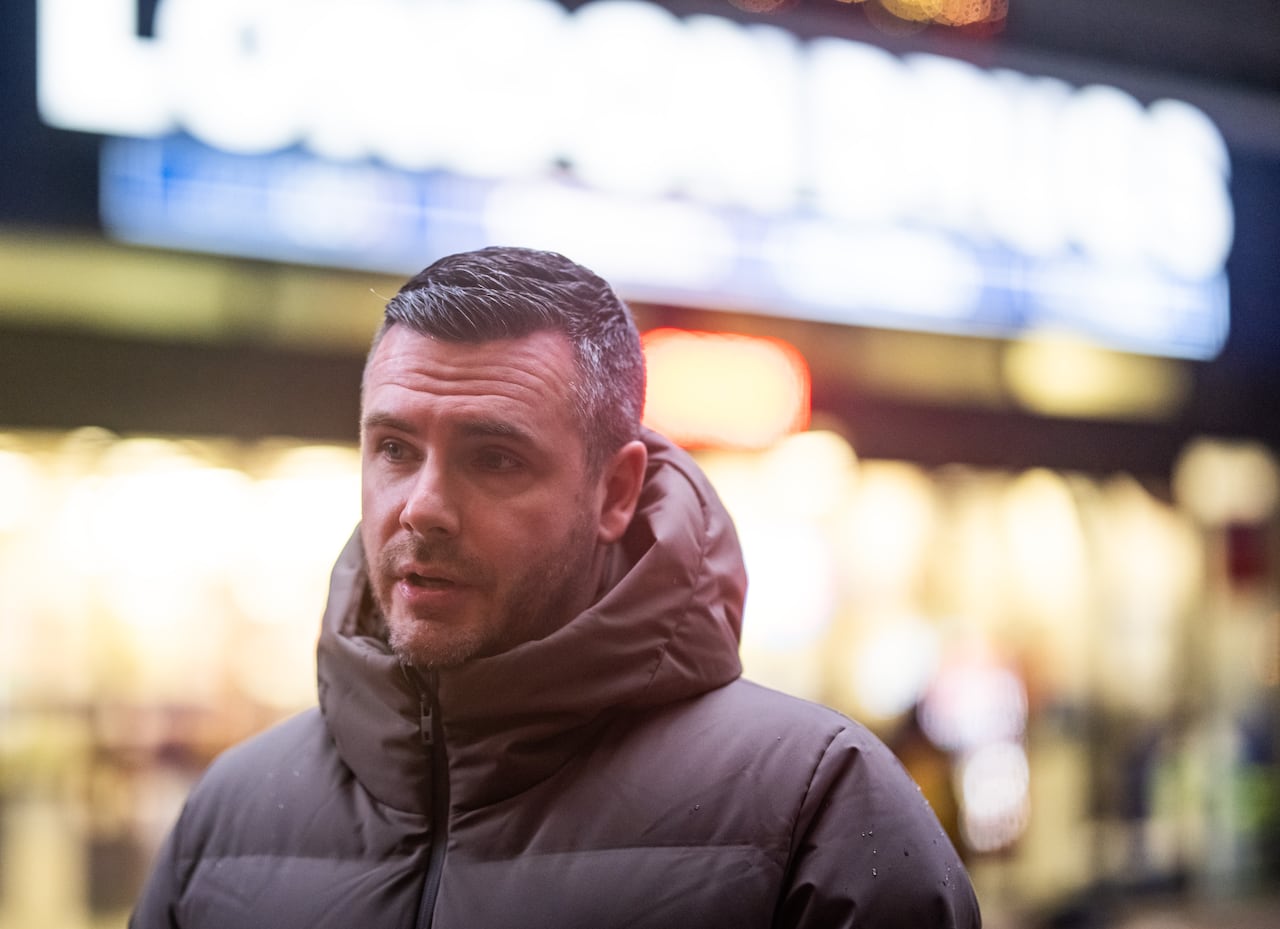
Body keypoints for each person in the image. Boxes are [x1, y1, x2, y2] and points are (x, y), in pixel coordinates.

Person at [130, 246, 982, 928]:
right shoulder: (230, 816)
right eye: (394, 448)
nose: (422, 507)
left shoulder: (818, 808)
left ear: (615, 492)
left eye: (493, 457)